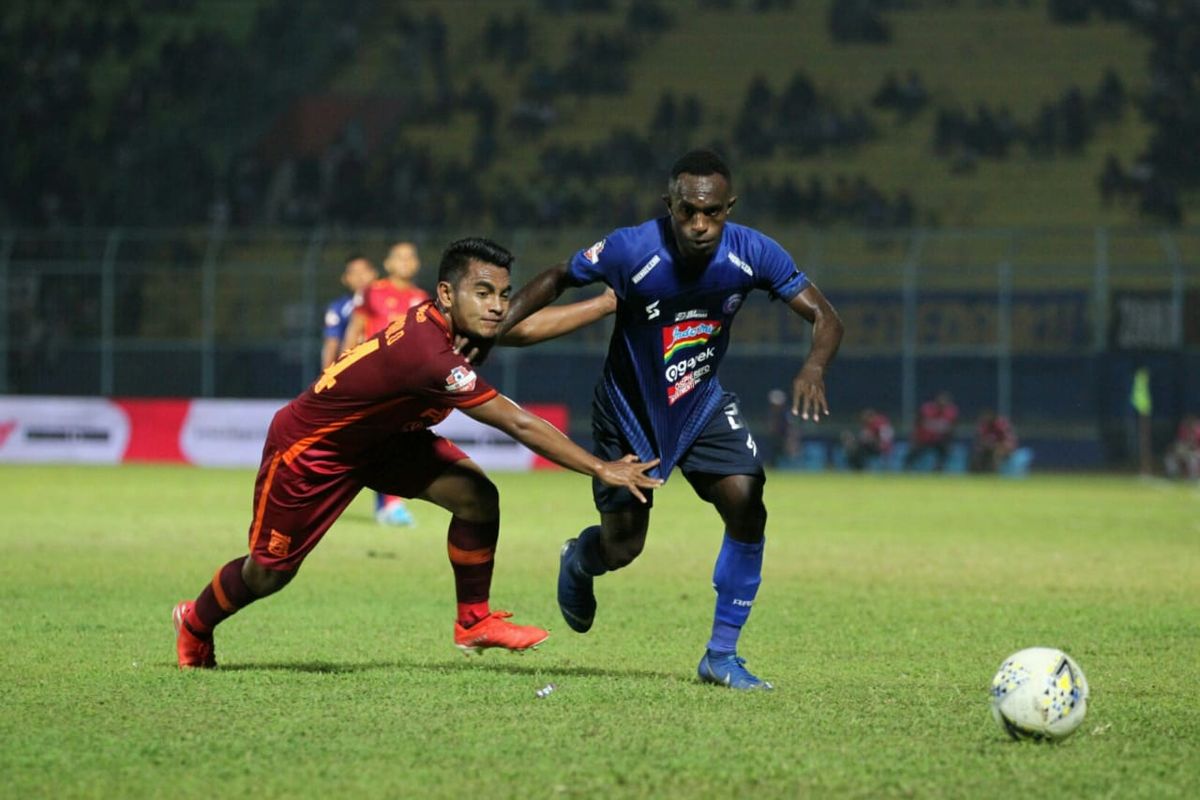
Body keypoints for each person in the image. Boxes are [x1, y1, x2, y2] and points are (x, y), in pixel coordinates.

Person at [172, 237, 658, 670]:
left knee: (475, 497)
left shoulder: (454, 323)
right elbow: (517, 422)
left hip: (383, 442)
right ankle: (195, 622)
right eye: (483, 293)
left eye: (503, 294)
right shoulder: (428, 353)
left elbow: (524, 330)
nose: (497, 306)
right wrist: (601, 467)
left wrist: (606, 303)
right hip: (314, 450)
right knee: (269, 573)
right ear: (447, 294)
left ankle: (473, 621)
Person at [494, 149, 844, 690]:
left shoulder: (755, 252)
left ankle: (721, 656)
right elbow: (560, 275)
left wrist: (814, 366)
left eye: (712, 213)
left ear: (729, 208)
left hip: (699, 404)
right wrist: (495, 326)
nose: (700, 225)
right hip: (628, 413)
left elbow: (825, 316)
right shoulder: (631, 248)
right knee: (624, 547)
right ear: (670, 205)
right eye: (688, 212)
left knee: (747, 502)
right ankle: (580, 558)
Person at [342, 241, 431, 527]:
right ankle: (387, 504)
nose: (405, 261)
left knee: (394, 440)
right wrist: (343, 367)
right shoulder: (373, 292)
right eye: (399, 257)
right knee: (371, 440)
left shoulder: (422, 298)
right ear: (388, 263)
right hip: (373, 376)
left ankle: (390, 504)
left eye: (410, 257)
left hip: (406, 382)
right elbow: (355, 329)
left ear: (417, 264)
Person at [321, 254, 378, 371]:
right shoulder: (338, 307)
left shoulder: (387, 300)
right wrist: (327, 375)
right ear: (345, 279)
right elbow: (331, 343)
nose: (360, 277)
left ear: (374, 273)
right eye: (354, 272)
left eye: (364, 271)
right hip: (353, 368)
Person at [904, 391, 958, 471]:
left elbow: (952, 430)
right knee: (912, 453)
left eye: (944, 404)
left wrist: (950, 443)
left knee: (946, 451)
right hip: (924, 439)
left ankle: (938, 469)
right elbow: (916, 424)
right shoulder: (926, 409)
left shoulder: (951, 413)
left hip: (939, 441)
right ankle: (907, 468)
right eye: (940, 404)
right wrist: (914, 438)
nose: (941, 406)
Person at [970, 409, 1017, 473]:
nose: (986, 420)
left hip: (1005, 447)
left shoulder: (1000, 424)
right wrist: (985, 445)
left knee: (997, 453)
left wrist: (997, 445)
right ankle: (980, 472)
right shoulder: (984, 426)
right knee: (978, 453)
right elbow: (980, 440)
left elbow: (1008, 440)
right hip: (989, 448)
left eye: (988, 418)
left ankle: (996, 473)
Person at [1164, 414, 1200, 480]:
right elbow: (1180, 443)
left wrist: (1193, 447)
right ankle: (1173, 475)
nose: (1190, 423)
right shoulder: (1183, 429)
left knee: (1193, 459)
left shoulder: (1198, 431)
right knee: (1170, 457)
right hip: (1186, 451)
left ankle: (1194, 477)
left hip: (1196, 452)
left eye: (1192, 421)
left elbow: (1195, 446)